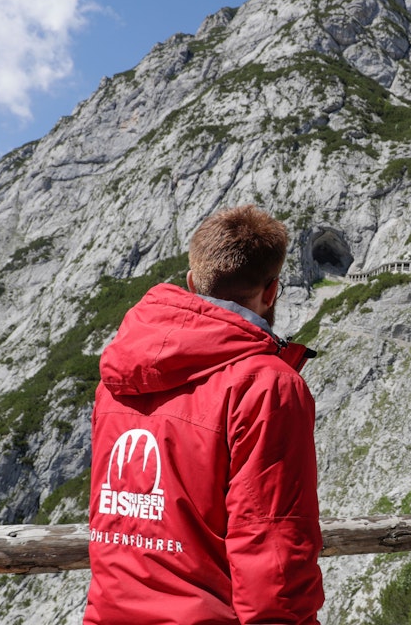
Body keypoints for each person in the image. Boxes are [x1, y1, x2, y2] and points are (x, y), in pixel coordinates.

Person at [83, 205, 324, 624]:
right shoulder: (266, 385)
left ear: (192, 282)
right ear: (272, 292)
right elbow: (272, 547)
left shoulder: (116, 377)